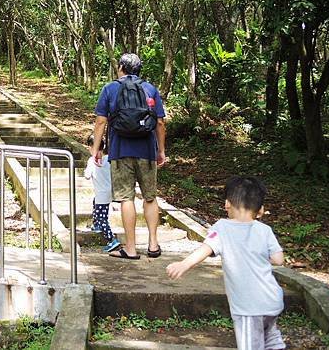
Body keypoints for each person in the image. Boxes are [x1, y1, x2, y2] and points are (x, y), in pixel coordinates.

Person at [166, 176, 286, 350]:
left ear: (227, 204)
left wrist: (183, 265)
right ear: (260, 210)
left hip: (248, 306)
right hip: (272, 300)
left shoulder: (222, 228)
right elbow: (278, 259)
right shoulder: (264, 230)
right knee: (270, 336)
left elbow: (205, 249)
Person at [90, 53, 166, 260]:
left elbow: (100, 122)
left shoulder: (110, 88)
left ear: (121, 67)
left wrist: (96, 148)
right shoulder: (150, 89)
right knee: (150, 198)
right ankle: (153, 245)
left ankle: (131, 248)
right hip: (147, 152)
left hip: (120, 151)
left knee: (126, 199)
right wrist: (161, 150)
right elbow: (159, 123)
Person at [84, 135, 121, 253]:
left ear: (91, 147)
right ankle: (96, 225)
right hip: (109, 192)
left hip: (101, 193)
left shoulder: (91, 161)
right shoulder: (109, 159)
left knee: (102, 217)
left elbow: (87, 175)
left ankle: (111, 239)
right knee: (97, 205)